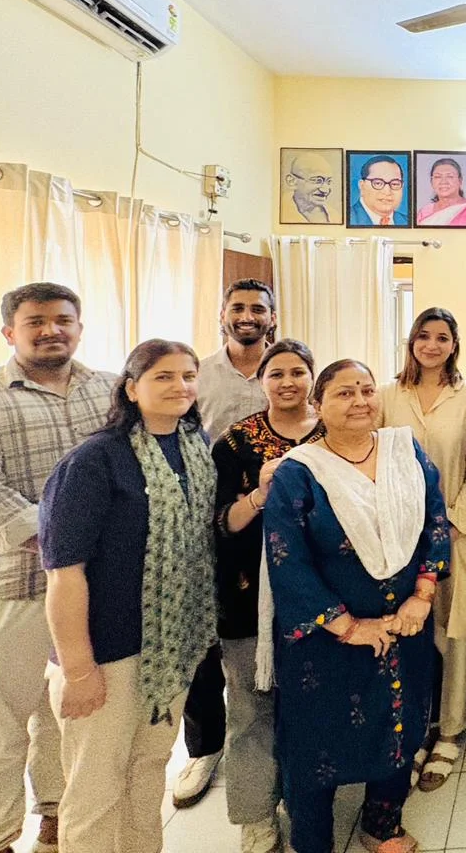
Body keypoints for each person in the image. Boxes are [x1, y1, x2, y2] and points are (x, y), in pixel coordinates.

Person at [264, 359, 451, 853]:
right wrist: (349, 627)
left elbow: (435, 519)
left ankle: (382, 825)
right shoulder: (299, 472)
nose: (360, 401)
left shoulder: (404, 450)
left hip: (404, 628)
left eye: (367, 390)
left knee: (399, 727)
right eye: (344, 393)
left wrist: (422, 596)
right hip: (325, 643)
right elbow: (287, 559)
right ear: (318, 405)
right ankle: (312, 842)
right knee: (316, 745)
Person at [40, 339, 217, 852]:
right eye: (164, 376)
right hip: (105, 654)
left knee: (147, 771)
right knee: (94, 789)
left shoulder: (194, 448)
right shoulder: (95, 460)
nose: (180, 385)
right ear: (132, 388)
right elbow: (64, 574)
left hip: (169, 647)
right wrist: (79, 671)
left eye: (188, 375)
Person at [0, 282, 113, 853]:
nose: (51, 330)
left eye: (63, 319)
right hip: (14, 584)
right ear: (10, 332)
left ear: (79, 328)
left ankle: (57, 818)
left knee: (69, 715)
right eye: (36, 321)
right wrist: (62, 541)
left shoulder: (111, 390)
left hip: (92, 589)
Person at [212, 339, 325, 853]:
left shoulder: (335, 433)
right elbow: (222, 524)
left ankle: (307, 801)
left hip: (322, 592)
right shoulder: (234, 443)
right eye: (276, 373)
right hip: (250, 594)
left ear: (312, 378)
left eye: (298, 372)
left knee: (311, 706)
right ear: (261, 382)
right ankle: (257, 816)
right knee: (251, 711)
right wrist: (259, 494)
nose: (288, 382)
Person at [378, 307, 466, 791]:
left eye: (442, 337)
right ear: (411, 342)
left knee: (456, 631)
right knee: (409, 632)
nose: (431, 345)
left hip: (458, 530)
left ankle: (450, 731)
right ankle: (415, 728)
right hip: (400, 538)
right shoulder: (386, 395)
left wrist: (451, 522)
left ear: (454, 344)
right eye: (423, 336)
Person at [176, 277, 278, 810]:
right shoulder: (197, 374)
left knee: (258, 637)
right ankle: (204, 747)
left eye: (258, 308)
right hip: (209, 518)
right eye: (238, 307)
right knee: (206, 638)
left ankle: (274, 752)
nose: (247, 316)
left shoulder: (285, 367)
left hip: (273, 523)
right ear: (223, 314)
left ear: (272, 317)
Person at [350, 156, 408, 228]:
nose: (387, 192)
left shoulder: (406, 221)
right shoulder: (349, 218)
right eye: (378, 183)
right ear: (362, 186)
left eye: (395, 184)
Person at [415, 158, 466, 227]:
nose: (443, 182)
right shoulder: (424, 212)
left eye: (450, 176)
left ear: (460, 181)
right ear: (431, 182)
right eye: (438, 177)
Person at [283, 151, 337, 224]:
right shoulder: (280, 210)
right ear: (292, 181)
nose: (325, 190)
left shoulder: (335, 216)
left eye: (329, 182)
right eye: (317, 180)